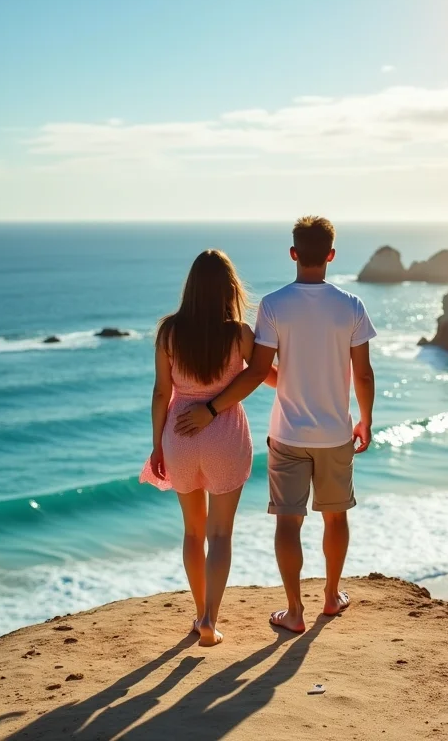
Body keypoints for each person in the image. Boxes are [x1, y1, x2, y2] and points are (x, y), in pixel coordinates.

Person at [175, 215, 376, 634]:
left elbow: (257, 370)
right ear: (331, 255)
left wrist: (214, 407)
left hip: (287, 433)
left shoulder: (273, 305)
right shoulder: (352, 306)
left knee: (288, 522)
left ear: (293, 253)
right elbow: (363, 373)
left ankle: (294, 610)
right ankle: (331, 596)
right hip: (336, 431)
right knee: (336, 517)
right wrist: (366, 420)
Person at [140, 249, 273, 647]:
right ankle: (210, 622)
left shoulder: (168, 332)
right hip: (224, 434)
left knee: (193, 532)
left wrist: (157, 446)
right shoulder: (239, 334)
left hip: (179, 436)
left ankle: (199, 613)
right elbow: (259, 374)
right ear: (229, 288)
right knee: (220, 534)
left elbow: (161, 392)